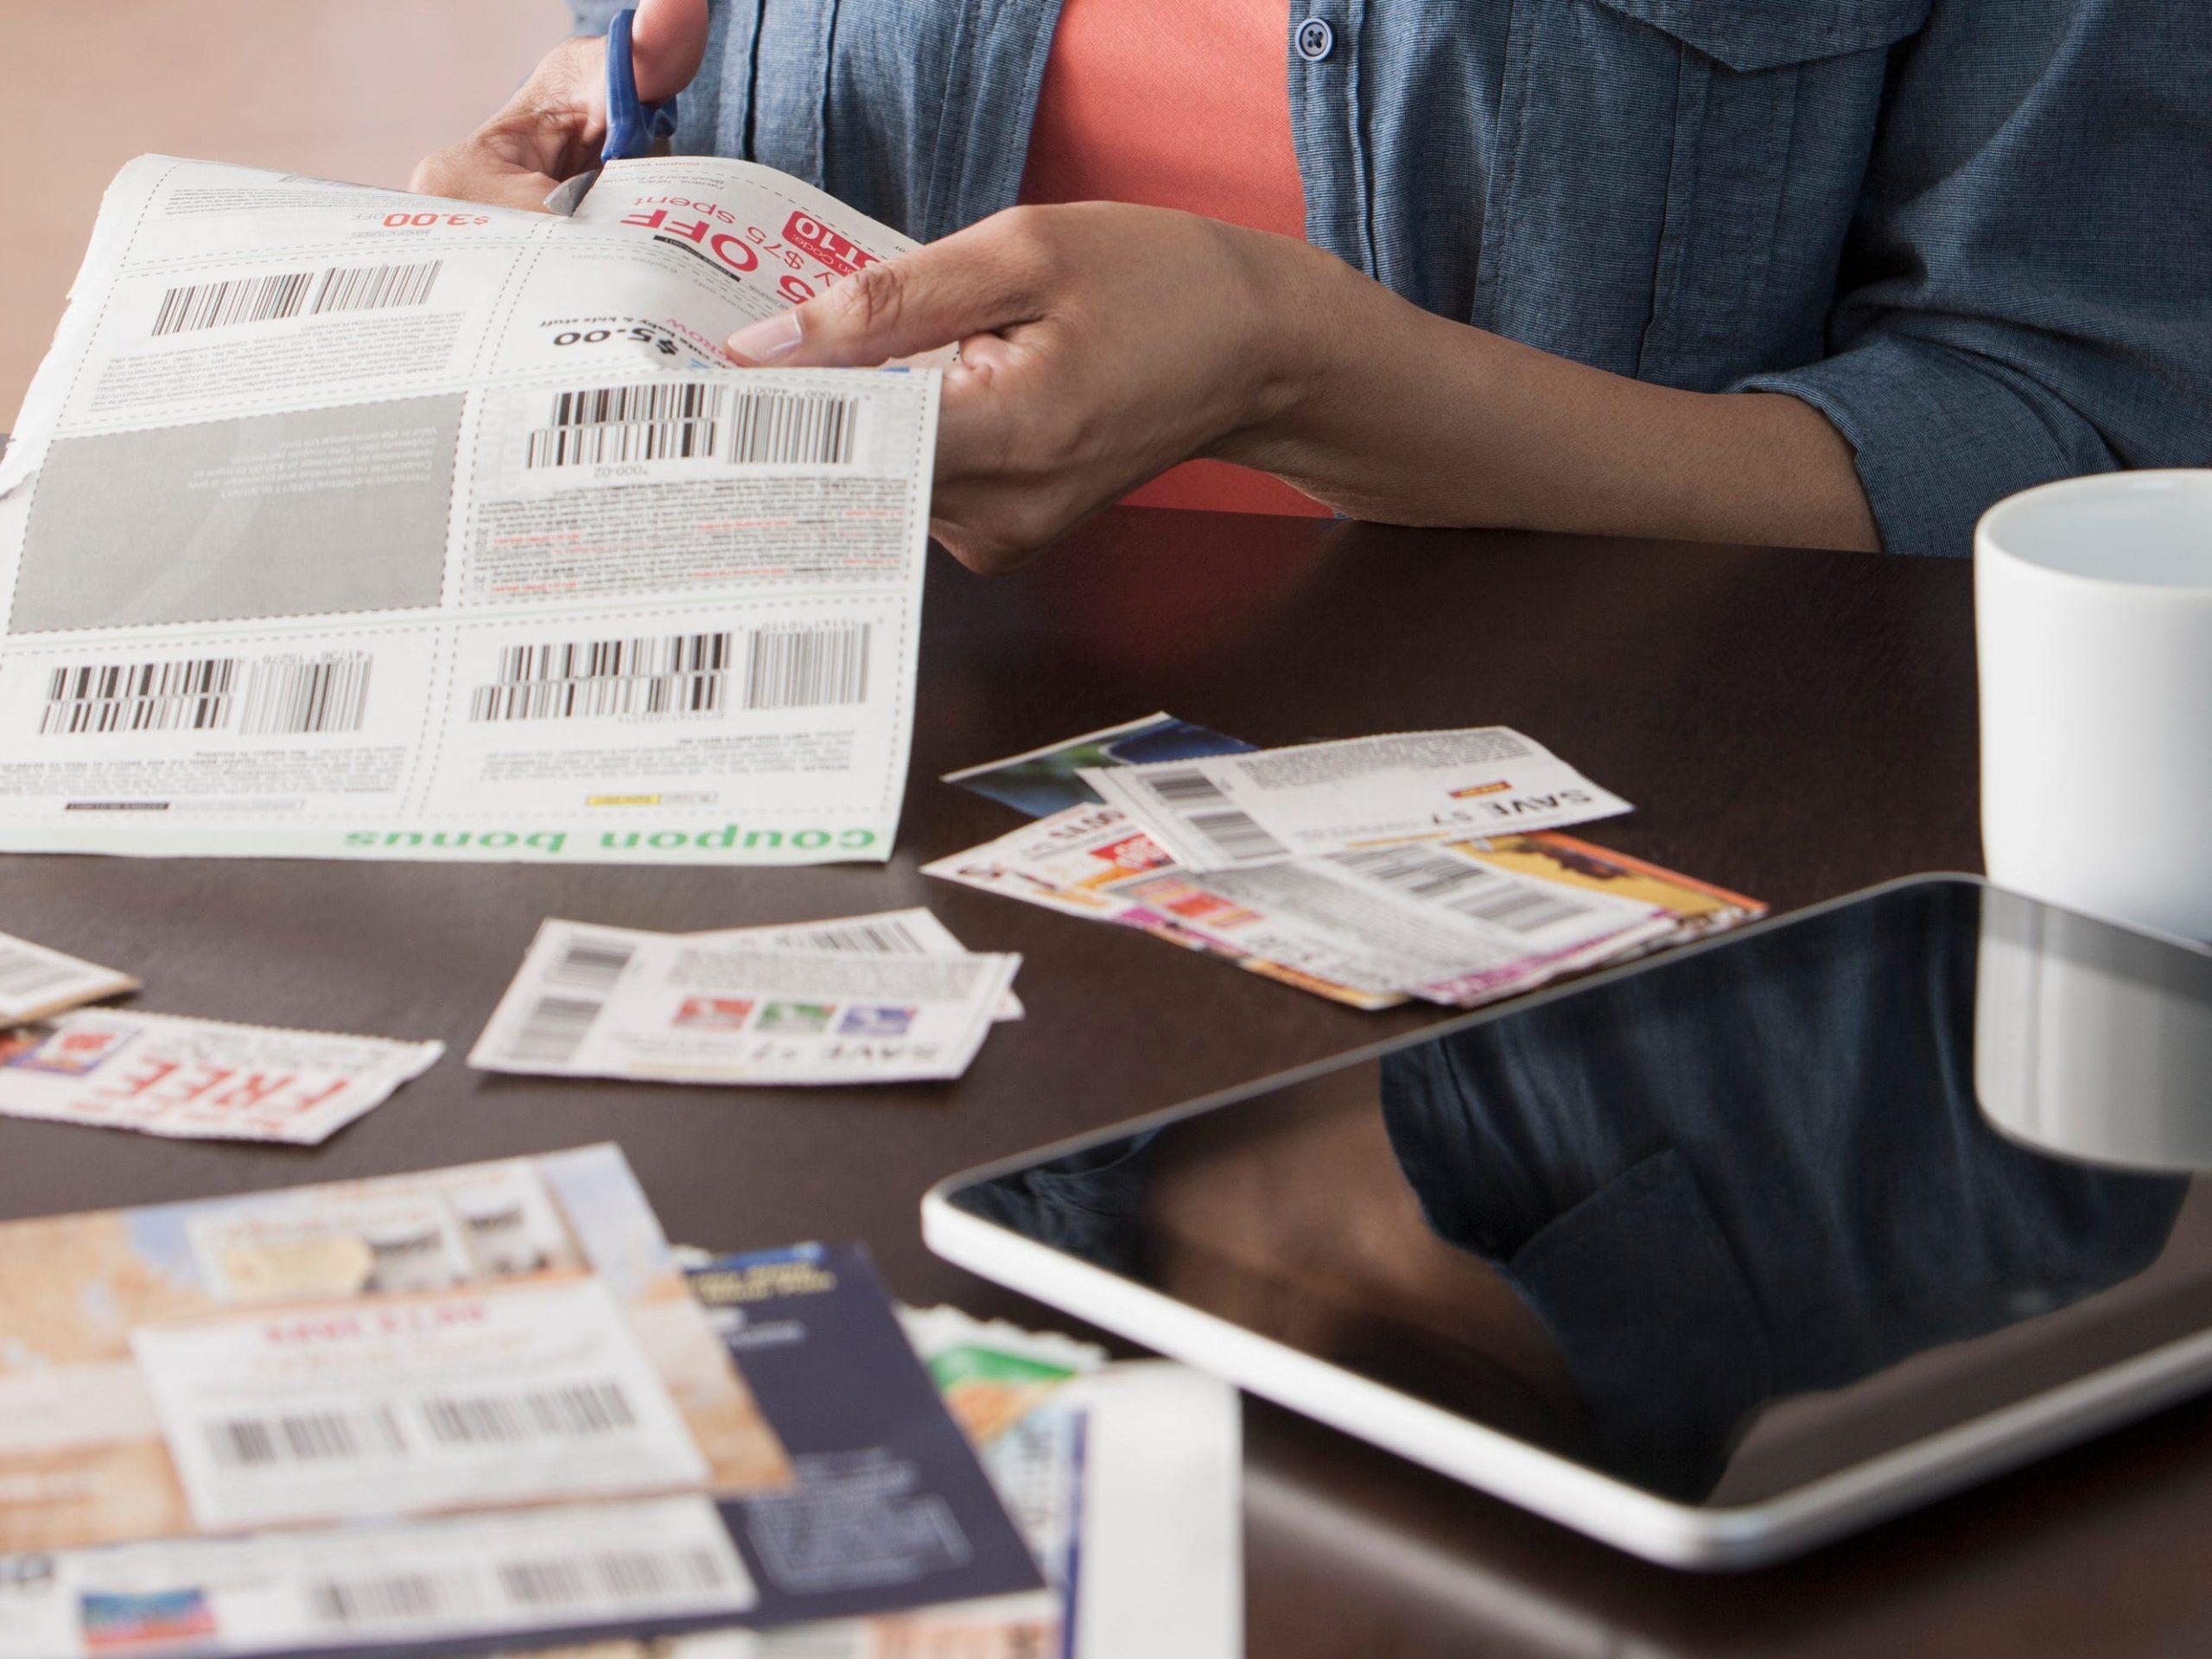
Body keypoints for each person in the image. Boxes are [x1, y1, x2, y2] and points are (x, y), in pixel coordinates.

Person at [415, 0, 2210, 574]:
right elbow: (635, 69)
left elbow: (2084, 431)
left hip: (1656, 924)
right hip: (809, 837)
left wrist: (1305, 372)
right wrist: (583, 198)